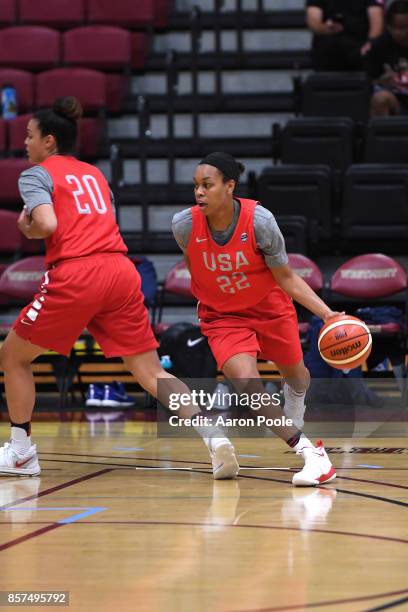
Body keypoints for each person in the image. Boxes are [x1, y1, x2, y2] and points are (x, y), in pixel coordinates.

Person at [0, 97, 240, 481]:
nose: (24, 143)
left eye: (29, 136)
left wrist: (26, 225)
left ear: (49, 142)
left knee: (13, 357)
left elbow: (44, 224)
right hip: (120, 270)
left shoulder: (36, 173)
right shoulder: (94, 174)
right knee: (148, 370)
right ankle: (212, 436)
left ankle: (22, 453)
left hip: (78, 271)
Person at [172, 152, 343, 486]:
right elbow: (197, 269)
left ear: (230, 186)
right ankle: (311, 453)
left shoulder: (260, 221)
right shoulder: (184, 225)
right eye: (196, 186)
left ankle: (295, 397)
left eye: (208, 185)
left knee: (297, 376)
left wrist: (327, 314)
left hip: (269, 307)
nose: (199, 193)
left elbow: (287, 276)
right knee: (246, 383)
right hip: (223, 317)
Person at [306, 0, 384, 71]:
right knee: (328, 47)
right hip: (328, 47)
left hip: (360, 46)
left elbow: (376, 23)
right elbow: (314, 23)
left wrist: (369, 46)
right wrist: (326, 28)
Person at [365, 0, 408, 115]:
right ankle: (384, 132)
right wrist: (381, 81)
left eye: (403, 28)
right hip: (395, 99)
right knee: (380, 99)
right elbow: (368, 81)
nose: (398, 32)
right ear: (388, 26)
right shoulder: (379, 46)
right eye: (394, 27)